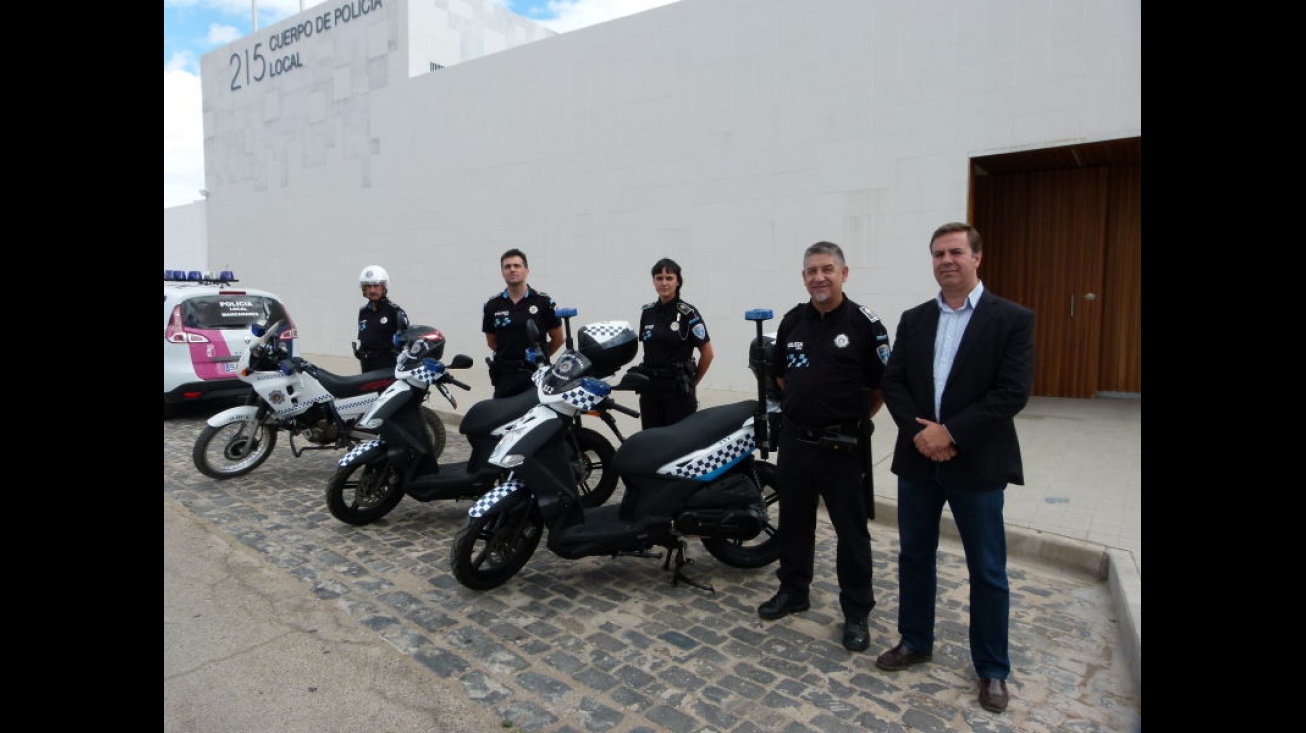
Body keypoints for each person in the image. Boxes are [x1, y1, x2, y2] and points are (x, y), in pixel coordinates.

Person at [873, 222, 1035, 715]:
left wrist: (952, 433)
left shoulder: (1012, 319)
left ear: (977, 257)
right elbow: (894, 381)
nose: (947, 260)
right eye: (939, 253)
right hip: (919, 461)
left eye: (956, 252)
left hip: (978, 464)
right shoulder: (915, 318)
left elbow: (1011, 393)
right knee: (914, 557)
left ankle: (992, 669)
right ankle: (915, 640)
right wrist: (924, 436)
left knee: (987, 570)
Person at [757, 240, 890, 655]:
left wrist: (845, 418)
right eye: (812, 270)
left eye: (827, 269)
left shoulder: (866, 325)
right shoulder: (793, 322)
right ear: (804, 277)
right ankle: (794, 591)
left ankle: (856, 611)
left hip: (842, 445)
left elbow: (880, 386)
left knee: (851, 531)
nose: (819, 277)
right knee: (794, 522)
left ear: (844, 274)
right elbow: (780, 377)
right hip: (796, 441)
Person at [634, 258, 716, 429]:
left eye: (669, 278)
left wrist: (693, 382)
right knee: (652, 440)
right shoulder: (648, 313)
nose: (664, 283)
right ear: (653, 281)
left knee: (680, 444)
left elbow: (708, 354)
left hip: (677, 390)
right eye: (659, 278)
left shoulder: (688, 313)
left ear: (678, 281)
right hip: (651, 390)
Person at [482, 248, 564, 398]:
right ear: (502, 272)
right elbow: (492, 342)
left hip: (536, 375)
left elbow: (558, 339)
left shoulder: (543, 302)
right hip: (505, 377)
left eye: (517, 265)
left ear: (526, 270)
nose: (512, 269)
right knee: (503, 417)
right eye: (507, 266)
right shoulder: (493, 305)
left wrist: (540, 357)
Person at [354, 264, 409, 372]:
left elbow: (405, 344)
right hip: (366, 366)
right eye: (368, 286)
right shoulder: (363, 312)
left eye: (376, 285)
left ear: (383, 287)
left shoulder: (395, 311)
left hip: (386, 367)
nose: (372, 290)